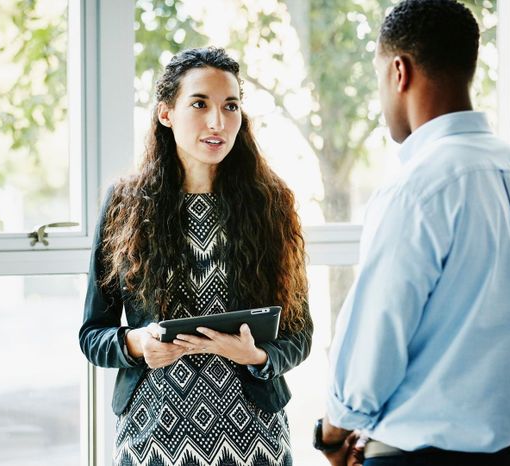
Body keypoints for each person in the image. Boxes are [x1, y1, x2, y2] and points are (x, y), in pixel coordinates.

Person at [314, 1, 510, 465]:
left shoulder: (417, 189)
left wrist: (333, 433)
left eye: (378, 79)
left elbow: (374, 342)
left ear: (398, 72)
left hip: (417, 458)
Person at [79, 46, 312, 466]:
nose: (218, 121)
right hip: (153, 440)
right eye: (199, 103)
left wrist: (257, 356)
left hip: (255, 440)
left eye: (231, 106)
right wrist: (136, 343)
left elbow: (300, 335)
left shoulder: (270, 204)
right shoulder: (125, 204)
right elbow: (92, 333)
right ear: (166, 113)